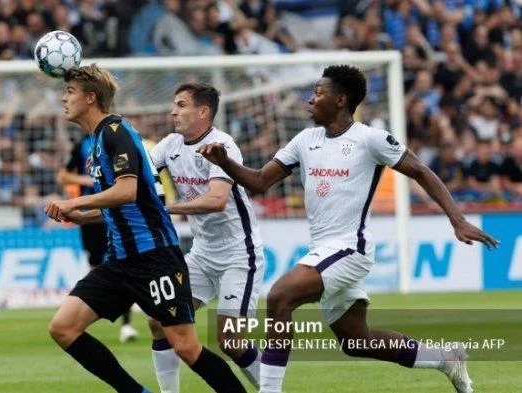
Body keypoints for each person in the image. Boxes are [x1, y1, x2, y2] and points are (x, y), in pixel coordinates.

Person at [198, 64, 499, 393]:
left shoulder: (370, 139)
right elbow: (259, 181)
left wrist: (458, 220)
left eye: (318, 93)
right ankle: (444, 358)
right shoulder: (304, 140)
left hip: (350, 249)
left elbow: (421, 171)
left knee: (280, 297)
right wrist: (225, 162)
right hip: (324, 251)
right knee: (357, 341)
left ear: (340, 100)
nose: (310, 100)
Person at [45, 64, 247, 393]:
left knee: (185, 347)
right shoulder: (96, 141)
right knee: (63, 327)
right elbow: (133, 201)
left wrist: (75, 204)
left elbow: (128, 191)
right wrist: (90, 215)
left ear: (91, 97)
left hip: (154, 257)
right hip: (120, 260)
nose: (63, 98)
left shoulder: (116, 132)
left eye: (70, 92)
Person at [148, 83, 264, 392]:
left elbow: (217, 200)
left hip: (239, 255)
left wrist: (166, 208)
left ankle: (270, 389)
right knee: (160, 322)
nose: (174, 110)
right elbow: (140, 174)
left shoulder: (221, 145)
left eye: (182, 105)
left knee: (230, 341)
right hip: (201, 254)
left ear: (203, 111)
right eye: (175, 104)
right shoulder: (169, 145)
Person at [58, 134, 139, 343]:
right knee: (95, 264)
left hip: (116, 209)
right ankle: (92, 313)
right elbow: (63, 176)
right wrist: (87, 179)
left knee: (124, 262)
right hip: (90, 213)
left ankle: (127, 323)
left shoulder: (118, 139)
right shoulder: (82, 144)